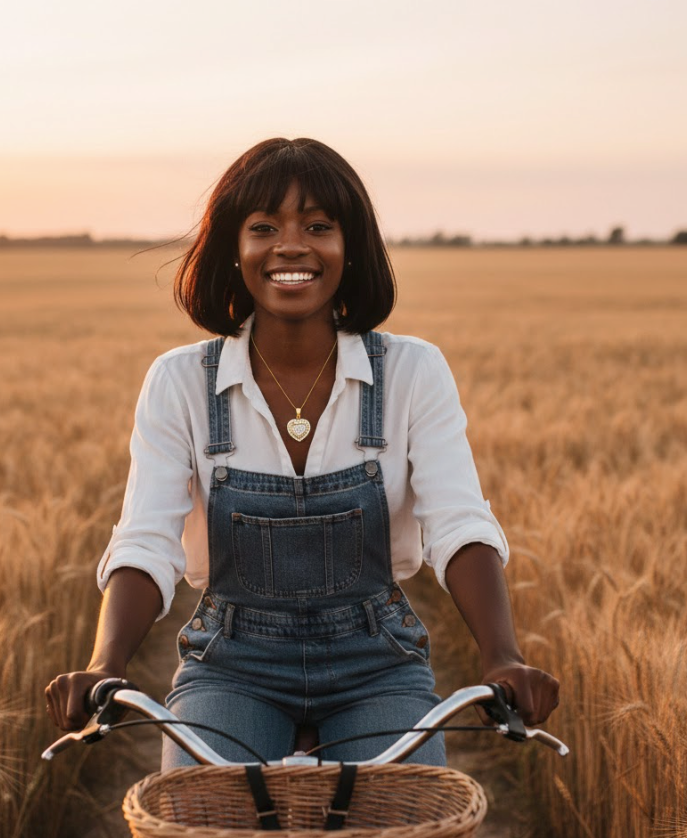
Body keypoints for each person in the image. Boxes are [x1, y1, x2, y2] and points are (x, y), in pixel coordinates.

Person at [45, 137, 560, 767]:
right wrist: (107, 662)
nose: (291, 245)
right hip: (232, 666)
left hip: (378, 664)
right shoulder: (180, 382)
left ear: (352, 250)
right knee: (198, 816)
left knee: (411, 818)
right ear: (233, 250)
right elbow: (146, 540)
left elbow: (457, 522)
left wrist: (501, 655)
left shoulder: (412, 372)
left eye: (319, 225)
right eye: (264, 227)